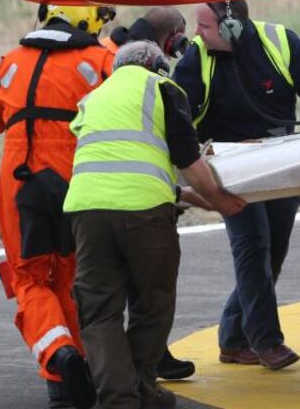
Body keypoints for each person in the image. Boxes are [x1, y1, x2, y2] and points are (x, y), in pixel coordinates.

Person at [64, 41, 247, 409]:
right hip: (144, 213)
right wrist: (221, 201)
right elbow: (188, 161)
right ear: (155, 65)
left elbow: (125, 163)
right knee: (153, 303)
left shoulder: (93, 99)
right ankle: (140, 386)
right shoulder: (162, 89)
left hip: (86, 211)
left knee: (99, 312)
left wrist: (193, 198)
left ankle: (123, 399)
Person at [171, 0, 300, 370]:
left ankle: (233, 339)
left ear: (232, 27)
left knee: (272, 254)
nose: (197, 35)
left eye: (204, 27)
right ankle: (267, 342)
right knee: (253, 246)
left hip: (280, 161)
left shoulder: (281, 40)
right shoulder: (195, 57)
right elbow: (177, 112)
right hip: (229, 168)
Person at [0, 4, 116, 409]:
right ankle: (78, 365)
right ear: (90, 20)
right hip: (75, 180)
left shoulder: (10, 63)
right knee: (71, 276)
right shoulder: (102, 61)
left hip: (19, 185)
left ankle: (59, 364)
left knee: (29, 280)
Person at [97, 7, 196, 381]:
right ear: (172, 38)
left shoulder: (110, 52)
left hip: (90, 186)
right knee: (146, 288)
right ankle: (140, 371)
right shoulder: (141, 68)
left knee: (103, 298)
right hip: (130, 192)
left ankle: (139, 367)